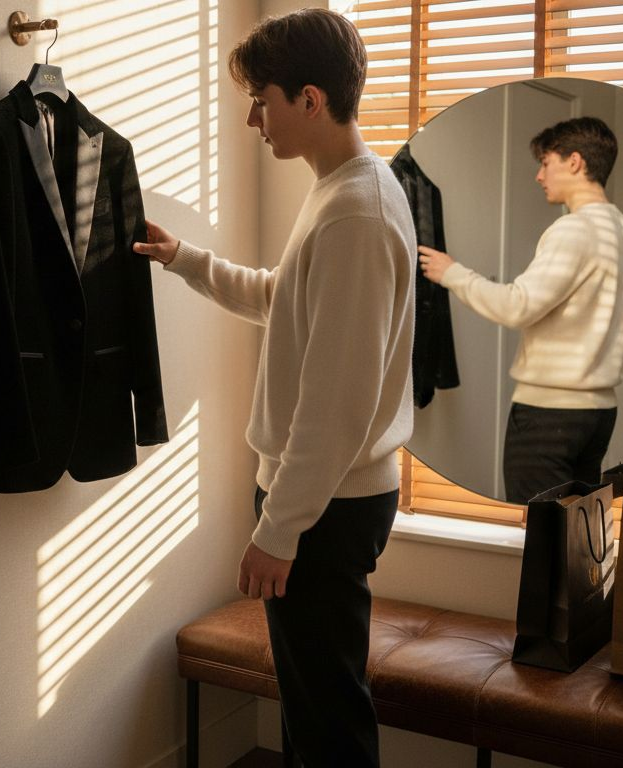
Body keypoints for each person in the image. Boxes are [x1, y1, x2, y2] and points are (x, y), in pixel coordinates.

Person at [133, 9, 415, 767]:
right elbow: (285, 300)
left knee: (326, 718)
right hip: (323, 497)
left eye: (264, 99)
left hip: (325, 503)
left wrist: (279, 529)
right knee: (316, 703)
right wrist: (186, 258)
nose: (254, 118)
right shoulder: (345, 190)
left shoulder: (357, 211)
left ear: (312, 100)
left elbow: (337, 403)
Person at [418, 116, 623, 504]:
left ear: (574, 162)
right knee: (576, 532)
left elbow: (518, 306)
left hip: (549, 415)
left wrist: (452, 273)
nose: (539, 175)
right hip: (598, 414)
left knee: (539, 538)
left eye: (546, 162)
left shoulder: (573, 230)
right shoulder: (622, 230)